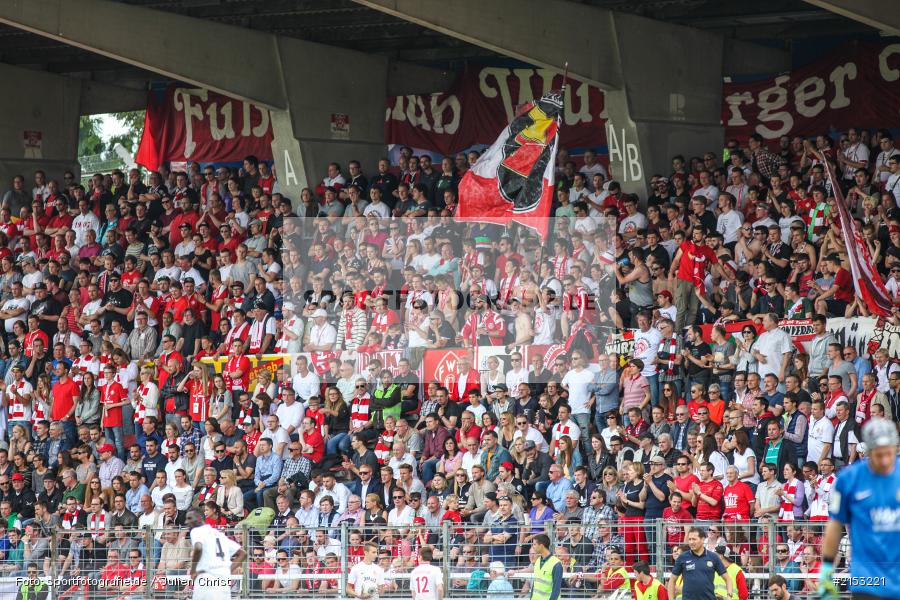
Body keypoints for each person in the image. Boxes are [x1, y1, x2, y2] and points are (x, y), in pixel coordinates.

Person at [818, 418, 900, 600]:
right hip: (867, 578)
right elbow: (835, 524)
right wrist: (826, 569)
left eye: (888, 453)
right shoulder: (849, 479)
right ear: (868, 451)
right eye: (878, 455)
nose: (885, 460)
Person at [187, 508, 246, 600]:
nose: (186, 522)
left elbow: (198, 548)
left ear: (199, 518)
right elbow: (243, 554)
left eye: (190, 518)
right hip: (223, 581)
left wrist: (193, 570)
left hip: (206, 577)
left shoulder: (197, 530)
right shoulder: (218, 534)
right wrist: (228, 570)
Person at [668, 526, 731, 600]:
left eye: (694, 539)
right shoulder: (682, 557)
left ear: (703, 540)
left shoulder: (713, 557)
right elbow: (672, 580)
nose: (691, 542)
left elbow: (728, 579)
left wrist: (729, 596)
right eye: (689, 539)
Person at [530, 533, 562, 600]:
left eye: (534, 544)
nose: (533, 547)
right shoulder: (538, 561)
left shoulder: (556, 564)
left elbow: (556, 589)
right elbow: (535, 584)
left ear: (541, 546)